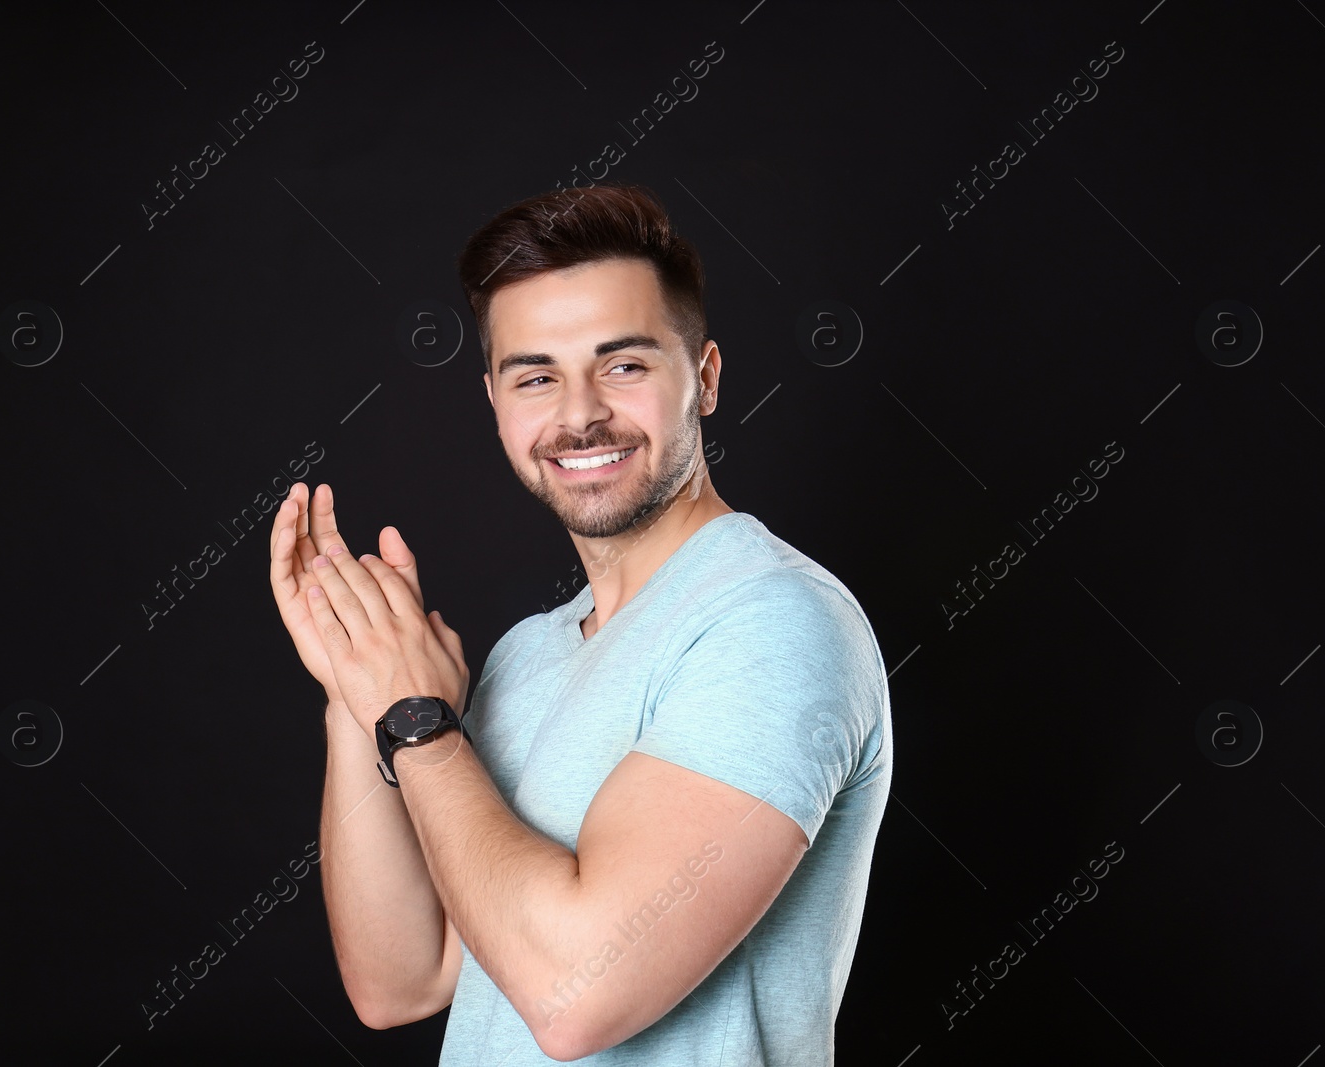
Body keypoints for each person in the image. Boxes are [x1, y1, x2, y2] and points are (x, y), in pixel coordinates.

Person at [267, 183, 890, 1064]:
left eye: (624, 364)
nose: (579, 412)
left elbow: (579, 996)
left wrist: (420, 720)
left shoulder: (776, 622)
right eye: (536, 376)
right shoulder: (528, 654)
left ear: (705, 378)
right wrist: (357, 687)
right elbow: (401, 979)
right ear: (495, 401)